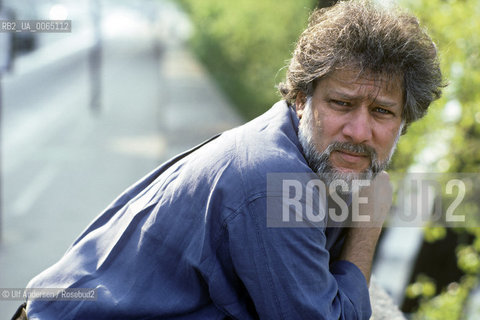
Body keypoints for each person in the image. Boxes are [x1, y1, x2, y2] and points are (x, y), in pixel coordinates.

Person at [21, 0, 444, 319]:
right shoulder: (272, 179)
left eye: (382, 112)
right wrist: (368, 226)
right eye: (341, 103)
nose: (358, 130)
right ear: (300, 98)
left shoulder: (311, 159)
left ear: (405, 122)